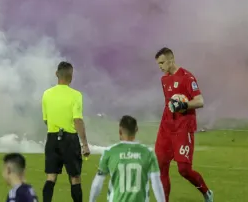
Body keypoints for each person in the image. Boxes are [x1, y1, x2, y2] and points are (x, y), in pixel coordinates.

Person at [154, 48, 213, 202]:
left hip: (183, 128)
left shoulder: (187, 77)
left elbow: (200, 101)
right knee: (161, 166)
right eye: (158, 64)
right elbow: (169, 104)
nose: (160, 67)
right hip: (166, 128)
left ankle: (207, 193)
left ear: (171, 60)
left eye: (162, 63)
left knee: (184, 170)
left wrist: (183, 105)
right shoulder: (164, 79)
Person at [40, 61, 89, 202]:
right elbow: (77, 120)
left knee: (51, 177)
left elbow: (46, 120)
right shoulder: (76, 95)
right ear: (71, 76)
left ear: (56, 74)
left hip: (52, 138)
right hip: (70, 139)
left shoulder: (47, 94)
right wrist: (84, 144)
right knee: (74, 177)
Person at [88, 115, 165, 202]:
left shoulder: (109, 152)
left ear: (120, 131)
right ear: (136, 130)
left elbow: (97, 184)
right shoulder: (148, 153)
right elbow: (156, 184)